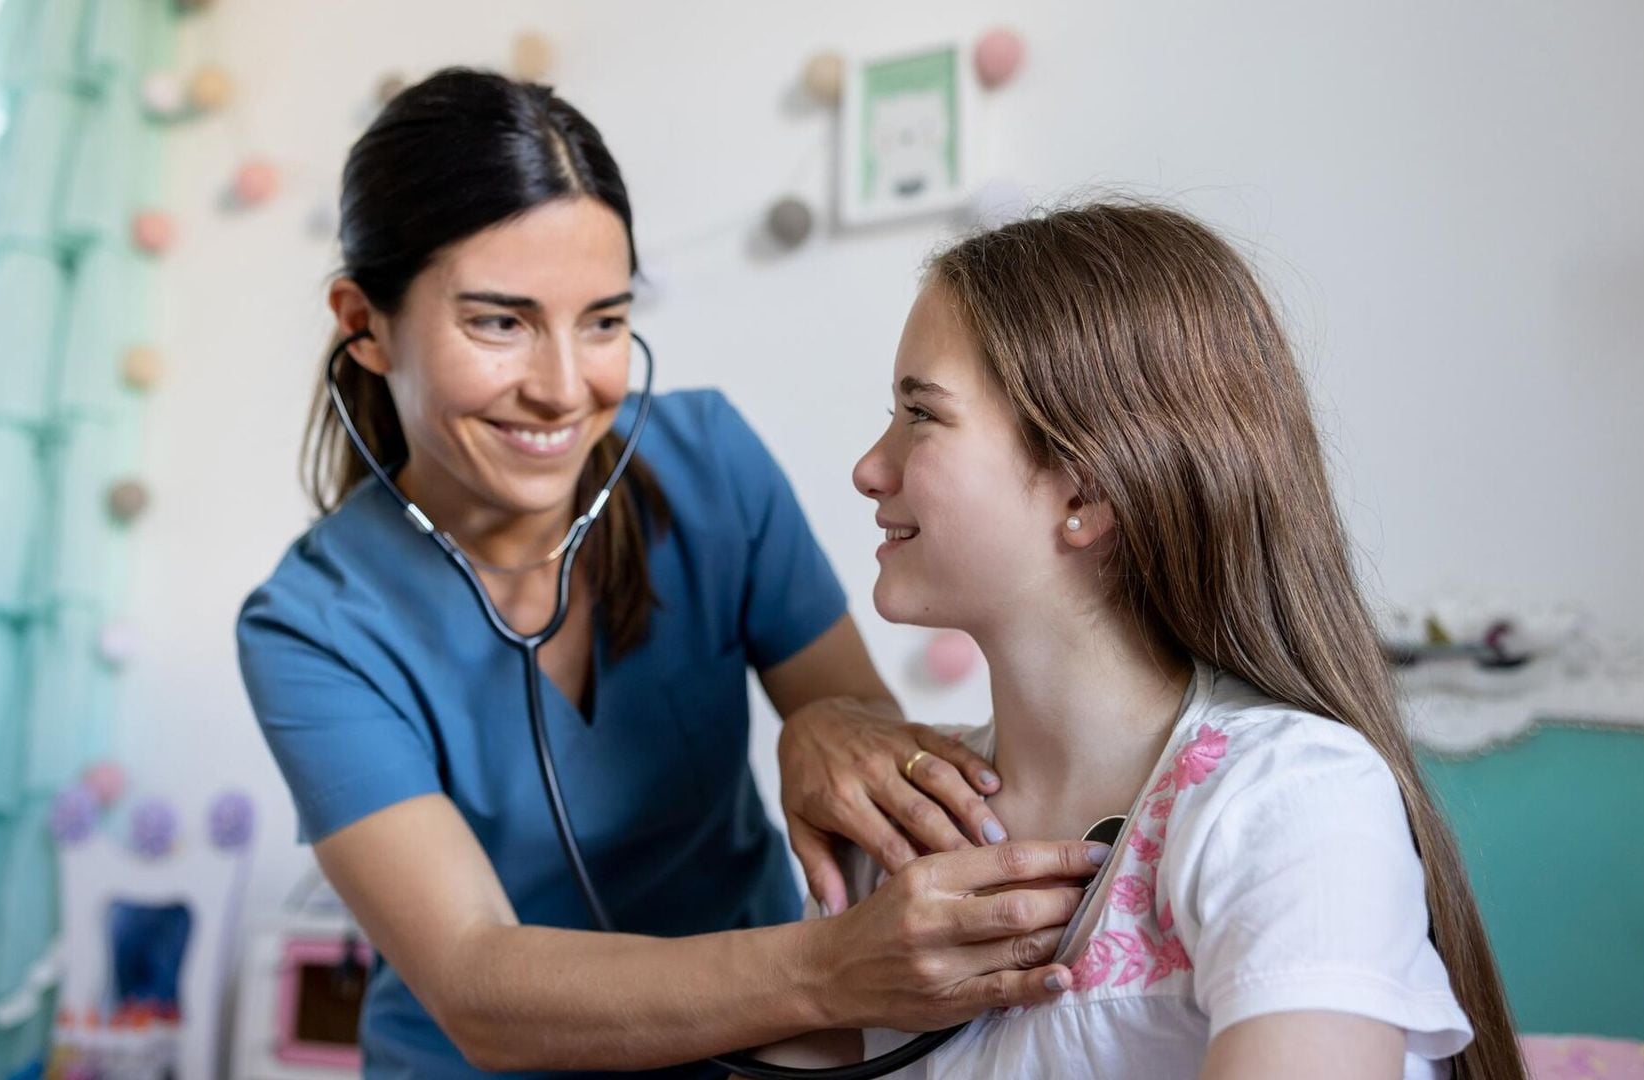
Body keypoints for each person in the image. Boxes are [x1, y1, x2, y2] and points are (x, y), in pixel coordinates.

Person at [235, 69, 1106, 1079]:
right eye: (499, 322)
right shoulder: (311, 626)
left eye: (604, 320)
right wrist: (829, 970)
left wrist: (824, 729)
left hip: (762, 1053)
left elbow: (860, 735)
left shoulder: (708, 467)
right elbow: (474, 981)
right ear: (364, 324)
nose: (565, 390)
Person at [745, 202, 1527, 1079]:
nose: (869, 468)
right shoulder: (893, 829)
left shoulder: (1290, 801)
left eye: (921, 416)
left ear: (1086, 490)